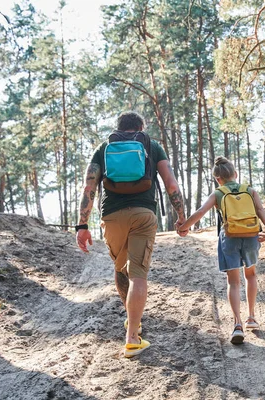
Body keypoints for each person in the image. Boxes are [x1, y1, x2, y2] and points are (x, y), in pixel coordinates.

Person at [75, 111, 186, 358]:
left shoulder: (104, 147)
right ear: (140, 127)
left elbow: (89, 187)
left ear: (119, 128)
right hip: (143, 214)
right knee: (138, 274)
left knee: (120, 268)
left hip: (111, 216)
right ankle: (133, 337)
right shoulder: (152, 145)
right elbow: (171, 184)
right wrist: (181, 215)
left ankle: (131, 320)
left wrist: (82, 225)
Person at [175, 156, 265, 344]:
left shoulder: (218, 193)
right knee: (251, 275)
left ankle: (237, 325)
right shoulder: (249, 190)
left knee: (233, 282)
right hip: (252, 235)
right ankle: (251, 317)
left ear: (217, 179)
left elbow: (200, 212)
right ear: (235, 174)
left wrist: (184, 227)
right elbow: (260, 210)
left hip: (229, 237)